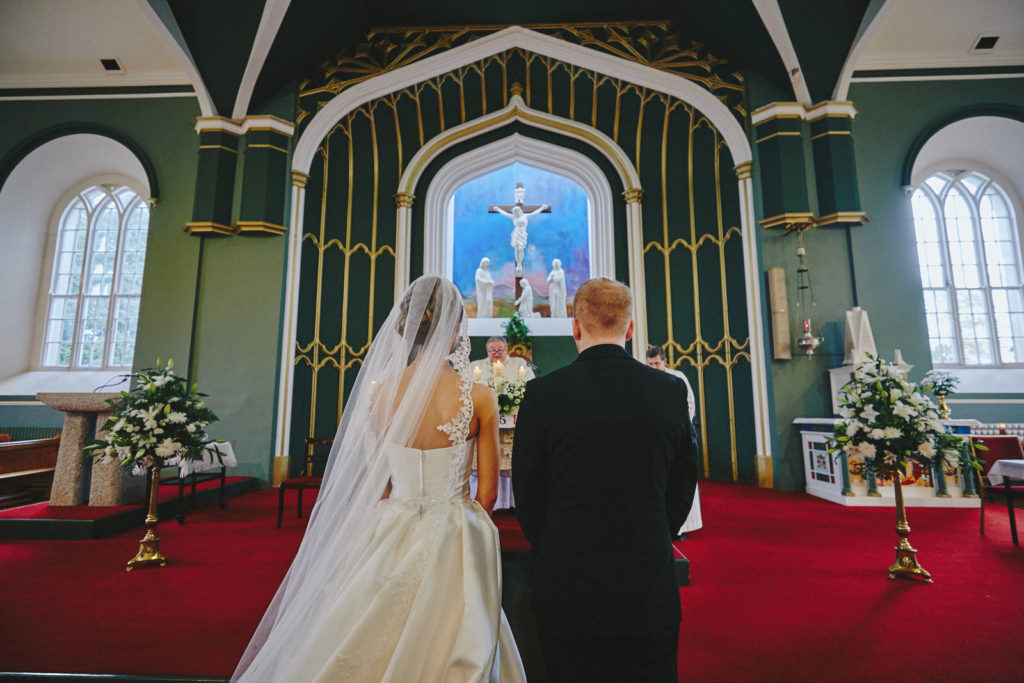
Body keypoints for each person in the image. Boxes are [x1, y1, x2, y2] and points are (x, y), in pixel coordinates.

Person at [233, 275, 526, 682]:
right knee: (455, 634)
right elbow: (490, 493)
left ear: (406, 327)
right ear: (457, 329)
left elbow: (380, 482)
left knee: (364, 624)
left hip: (392, 523)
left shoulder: (380, 394)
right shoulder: (479, 396)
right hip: (455, 530)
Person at [512, 278, 699, 682]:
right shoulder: (669, 391)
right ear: (629, 329)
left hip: (567, 580)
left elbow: (527, 490)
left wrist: (554, 541)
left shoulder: (543, 394)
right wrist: (655, 532)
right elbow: (684, 481)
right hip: (647, 578)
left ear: (574, 328)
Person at [645, 345, 703, 539]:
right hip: (655, 438)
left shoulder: (677, 378)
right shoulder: (646, 380)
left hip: (678, 436)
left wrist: (677, 428)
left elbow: (689, 404)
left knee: (681, 479)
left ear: (665, 361)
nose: (653, 367)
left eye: (657, 363)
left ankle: (682, 527)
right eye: (650, 363)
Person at [470, 337, 535, 384]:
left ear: (506, 350)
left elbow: (531, 381)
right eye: (492, 350)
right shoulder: (475, 365)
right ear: (487, 351)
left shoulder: (519, 363)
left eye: (500, 349)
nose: (496, 353)